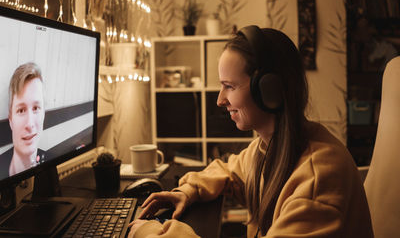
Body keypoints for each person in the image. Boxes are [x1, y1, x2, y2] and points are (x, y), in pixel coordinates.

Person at [128, 26, 373, 237]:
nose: (220, 100)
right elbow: (230, 170)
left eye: (229, 87)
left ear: (269, 91)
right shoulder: (269, 146)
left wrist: (148, 232)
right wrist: (188, 191)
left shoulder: (318, 182)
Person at [0, 62, 46, 179]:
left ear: (44, 113)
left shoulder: (50, 163)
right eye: (21, 110)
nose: (30, 124)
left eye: (36, 108)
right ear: (10, 119)